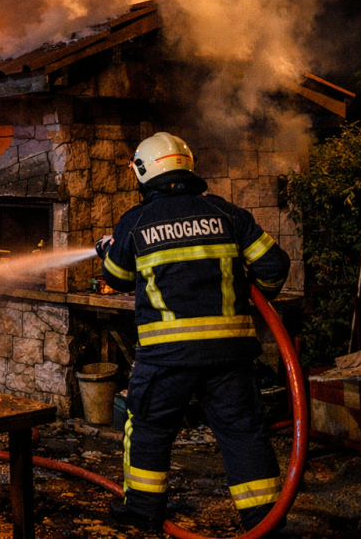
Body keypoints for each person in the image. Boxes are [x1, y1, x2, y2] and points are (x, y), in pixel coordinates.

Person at [96, 132, 291, 534]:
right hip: (230, 356)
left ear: (142, 171)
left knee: (148, 427)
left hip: (166, 358)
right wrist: (253, 298)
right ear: (187, 165)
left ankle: (143, 511)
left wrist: (107, 250)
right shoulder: (227, 214)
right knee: (242, 433)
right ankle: (264, 522)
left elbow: (114, 278)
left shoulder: (136, 221)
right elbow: (272, 266)